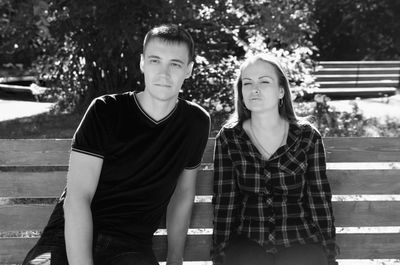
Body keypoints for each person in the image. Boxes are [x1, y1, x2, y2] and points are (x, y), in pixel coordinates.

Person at [22, 24, 210, 265]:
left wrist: (175, 258)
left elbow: (183, 193)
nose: (164, 73)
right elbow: (78, 198)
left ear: (189, 70)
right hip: (65, 239)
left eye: (175, 64)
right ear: (142, 63)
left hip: (129, 247)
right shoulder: (106, 111)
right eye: (155, 61)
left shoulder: (194, 122)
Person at [211, 53, 339, 265]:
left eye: (264, 81)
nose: (255, 89)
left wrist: (328, 255)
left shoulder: (306, 137)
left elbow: (319, 200)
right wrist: (220, 255)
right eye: (247, 83)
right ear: (241, 91)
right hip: (249, 241)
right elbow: (225, 203)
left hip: (299, 240)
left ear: (281, 91)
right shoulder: (229, 138)